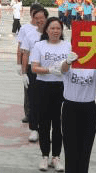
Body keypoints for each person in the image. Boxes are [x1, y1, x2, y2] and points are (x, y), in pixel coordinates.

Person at [59, 50, 96, 173]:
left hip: (89, 109)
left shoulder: (92, 62)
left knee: (86, 148)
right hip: (70, 108)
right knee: (70, 148)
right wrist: (68, 61)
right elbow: (63, 69)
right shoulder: (69, 60)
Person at [30, 17, 69, 171]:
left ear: (61, 30)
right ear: (46, 30)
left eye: (58, 28)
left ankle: (56, 157)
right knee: (44, 124)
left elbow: (71, 66)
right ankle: (45, 156)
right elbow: (34, 68)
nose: (55, 31)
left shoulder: (67, 46)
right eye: (52, 28)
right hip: (43, 87)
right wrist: (49, 70)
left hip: (62, 88)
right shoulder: (39, 46)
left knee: (58, 124)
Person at [20, 6, 49, 142]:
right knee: (33, 100)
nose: (39, 21)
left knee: (47, 102)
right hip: (33, 71)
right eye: (36, 18)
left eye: (41, 18)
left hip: (49, 72)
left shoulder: (52, 33)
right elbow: (25, 54)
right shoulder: (30, 35)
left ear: (46, 18)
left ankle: (45, 129)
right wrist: (24, 72)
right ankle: (34, 129)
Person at [16, 3, 44, 127]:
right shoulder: (25, 28)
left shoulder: (46, 28)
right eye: (35, 15)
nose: (38, 19)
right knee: (28, 92)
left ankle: (40, 115)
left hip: (42, 66)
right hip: (28, 64)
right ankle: (29, 114)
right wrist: (19, 65)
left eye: (41, 16)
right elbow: (20, 48)